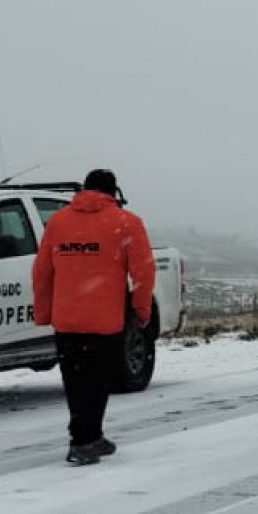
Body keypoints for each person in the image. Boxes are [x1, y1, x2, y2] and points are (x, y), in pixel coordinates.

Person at [32, 168, 156, 465]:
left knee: (75, 379)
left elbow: (42, 271)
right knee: (99, 380)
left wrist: (44, 311)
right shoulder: (126, 223)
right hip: (105, 320)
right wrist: (141, 310)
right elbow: (143, 271)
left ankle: (86, 436)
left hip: (67, 319)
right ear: (113, 193)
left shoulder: (59, 221)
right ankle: (85, 440)